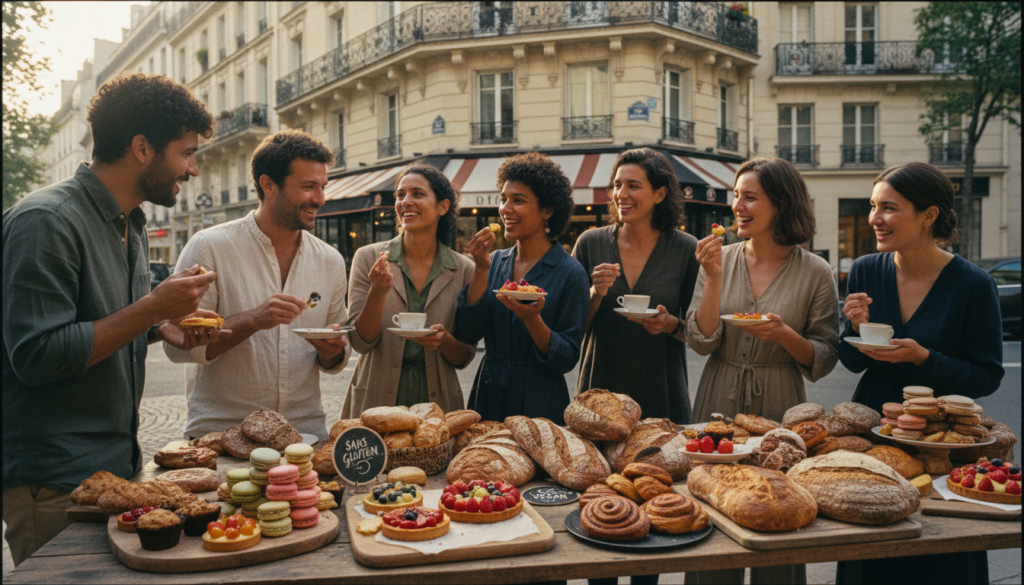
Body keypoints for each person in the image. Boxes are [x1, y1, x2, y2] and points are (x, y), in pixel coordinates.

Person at [2, 73, 218, 566]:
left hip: (114, 470)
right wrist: (153, 308)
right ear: (142, 147)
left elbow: (107, 321)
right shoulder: (46, 221)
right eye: (186, 152)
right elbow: (36, 356)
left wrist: (161, 328)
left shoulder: (131, 223)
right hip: (53, 482)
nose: (194, 168)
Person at [835, 162, 1003, 585]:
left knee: (938, 555)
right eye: (874, 206)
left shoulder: (973, 284)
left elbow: (986, 376)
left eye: (888, 208)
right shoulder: (866, 269)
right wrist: (854, 330)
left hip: (942, 439)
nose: (875, 218)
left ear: (928, 215)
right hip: (875, 427)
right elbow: (852, 360)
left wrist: (924, 359)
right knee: (868, 546)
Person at [683, 158, 839, 585]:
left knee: (779, 514)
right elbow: (701, 340)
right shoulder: (719, 258)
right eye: (736, 196)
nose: (737, 206)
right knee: (713, 518)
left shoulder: (816, 271)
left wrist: (786, 335)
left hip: (780, 400)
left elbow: (825, 354)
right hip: (719, 396)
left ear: (781, 205)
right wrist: (713, 278)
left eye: (749, 197)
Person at [165, 130, 351, 440]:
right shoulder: (210, 247)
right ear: (268, 185)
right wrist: (252, 320)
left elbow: (334, 360)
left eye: (322, 187)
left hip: (304, 434)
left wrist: (332, 350)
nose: (319, 199)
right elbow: (179, 347)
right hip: (223, 434)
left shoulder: (330, 260)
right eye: (307, 187)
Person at [456, 152, 589, 425]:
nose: (505, 208)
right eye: (503, 199)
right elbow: (467, 332)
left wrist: (533, 320)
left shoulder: (570, 273)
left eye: (518, 200)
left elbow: (567, 359)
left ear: (547, 211)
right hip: (490, 391)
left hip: (541, 398)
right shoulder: (492, 262)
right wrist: (480, 269)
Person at [573, 148, 700, 425]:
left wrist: (671, 325)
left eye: (633, 186)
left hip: (662, 391)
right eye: (617, 185)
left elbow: (699, 331)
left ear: (660, 194)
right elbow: (574, 328)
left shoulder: (686, 248)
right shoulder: (590, 243)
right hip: (600, 392)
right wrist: (595, 293)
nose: (621, 194)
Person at [340, 165, 477, 416]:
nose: (406, 202)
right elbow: (360, 342)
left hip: (439, 404)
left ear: (443, 207)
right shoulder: (368, 257)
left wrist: (445, 342)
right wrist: (378, 292)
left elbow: (465, 356)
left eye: (417, 194)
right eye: (400, 195)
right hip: (374, 397)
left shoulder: (464, 269)